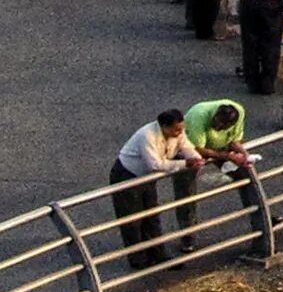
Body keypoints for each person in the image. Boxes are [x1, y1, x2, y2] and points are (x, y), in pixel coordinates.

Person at [108, 109, 200, 270]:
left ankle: (158, 253)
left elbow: (185, 146)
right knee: (132, 220)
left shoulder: (177, 133)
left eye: (181, 128)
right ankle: (138, 258)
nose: (179, 132)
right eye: (176, 129)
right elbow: (155, 164)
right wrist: (184, 164)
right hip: (127, 175)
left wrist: (195, 157)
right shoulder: (147, 136)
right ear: (164, 126)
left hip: (146, 176)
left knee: (152, 216)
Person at [176, 99, 254, 252]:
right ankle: (187, 235)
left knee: (245, 177)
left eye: (221, 127)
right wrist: (228, 156)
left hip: (220, 148)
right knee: (186, 191)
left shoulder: (239, 110)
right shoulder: (198, 116)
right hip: (190, 151)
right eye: (215, 124)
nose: (217, 127)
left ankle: (260, 215)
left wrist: (244, 154)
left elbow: (234, 140)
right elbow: (198, 149)